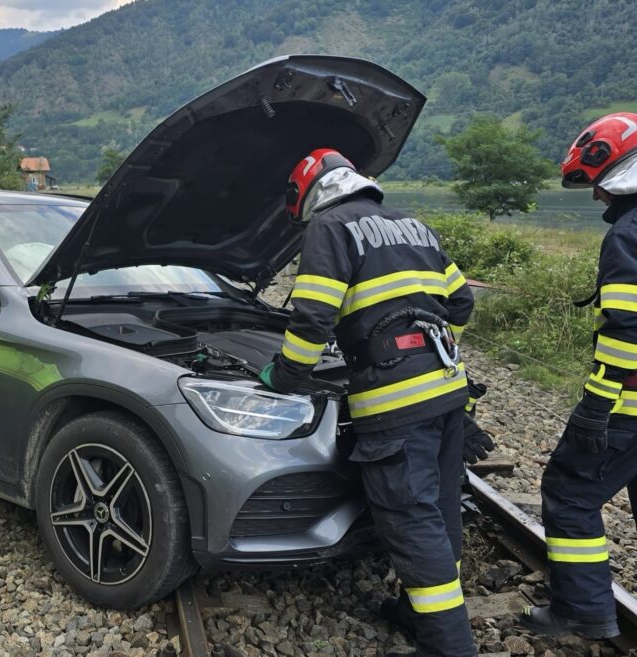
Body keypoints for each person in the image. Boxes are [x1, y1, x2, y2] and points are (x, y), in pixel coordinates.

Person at [259, 149, 480, 657]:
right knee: (441, 507)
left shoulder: (330, 227)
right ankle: (418, 613)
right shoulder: (414, 226)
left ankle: (449, 646)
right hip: (448, 392)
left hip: (395, 403)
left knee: (411, 518)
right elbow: (461, 303)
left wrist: (287, 376)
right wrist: (431, 351)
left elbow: (313, 317)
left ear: (308, 192)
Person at [519, 112, 637, 640]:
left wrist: (596, 407)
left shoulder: (629, 234)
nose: (596, 196)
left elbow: (625, 330)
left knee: (569, 493)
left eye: (599, 183)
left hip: (628, 404)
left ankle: (581, 612)